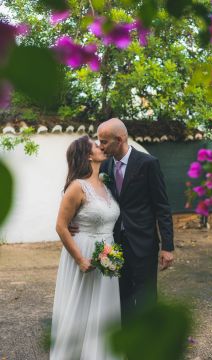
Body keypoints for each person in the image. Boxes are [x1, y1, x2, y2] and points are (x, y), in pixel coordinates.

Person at [50, 135, 122, 360]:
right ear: (88, 155)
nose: (101, 146)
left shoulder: (105, 182)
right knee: (80, 308)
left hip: (108, 251)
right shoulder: (76, 187)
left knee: (104, 310)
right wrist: (80, 259)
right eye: (95, 144)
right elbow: (61, 226)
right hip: (84, 252)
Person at [97, 118, 174, 324]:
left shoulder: (148, 164)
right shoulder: (104, 166)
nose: (100, 146)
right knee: (120, 296)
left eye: (104, 141)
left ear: (120, 139)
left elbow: (162, 207)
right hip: (113, 244)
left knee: (146, 297)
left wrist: (167, 247)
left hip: (143, 243)